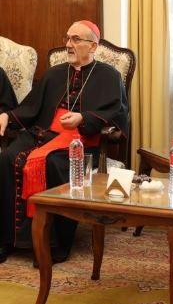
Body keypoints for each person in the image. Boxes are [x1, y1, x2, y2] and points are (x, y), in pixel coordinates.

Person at [0, 20, 128, 264]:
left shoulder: (109, 76)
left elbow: (117, 112)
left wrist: (83, 118)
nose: (68, 44)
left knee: (53, 164)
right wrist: (7, 116)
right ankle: (6, 240)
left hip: (81, 139)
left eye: (76, 39)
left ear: (93, 46)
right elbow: (30, 107)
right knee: (8, 158)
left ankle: (53, 244)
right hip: (42, 133)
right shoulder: (54, 74)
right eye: (67, 38)